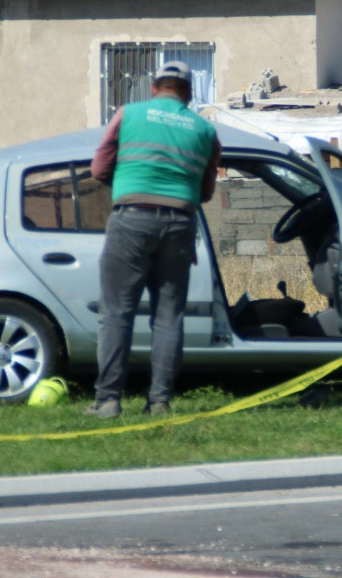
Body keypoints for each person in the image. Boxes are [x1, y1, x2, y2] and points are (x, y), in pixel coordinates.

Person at [86, 61, 223, 418]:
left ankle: (108, 401)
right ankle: (159, 402)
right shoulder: (205, 131)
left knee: (116, 312)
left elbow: (98, 170)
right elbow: (206, 191)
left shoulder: (127, 114)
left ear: (154, 88)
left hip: (131, 220)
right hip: (180, 223)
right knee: (168, 317)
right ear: (189, 94)